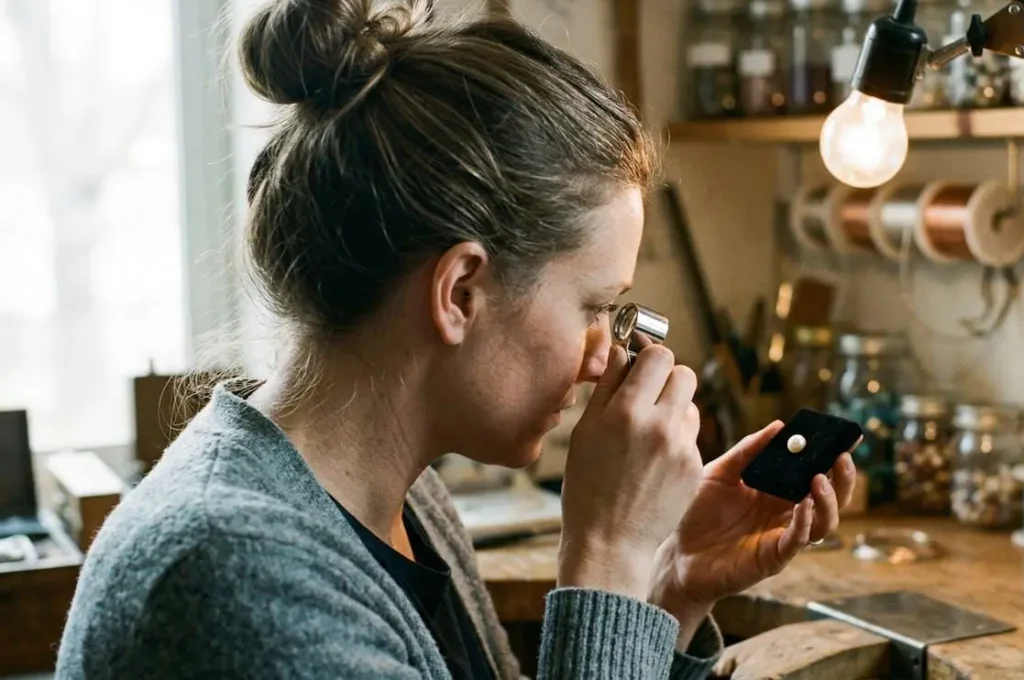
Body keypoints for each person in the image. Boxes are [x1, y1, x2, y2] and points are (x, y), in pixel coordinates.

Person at [54, 1, 856, 678]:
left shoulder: (402, 499)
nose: (602, 359)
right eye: (593, 307)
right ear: (460, 291)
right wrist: (605, 555)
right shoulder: (231, 575)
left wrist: (667, 589)